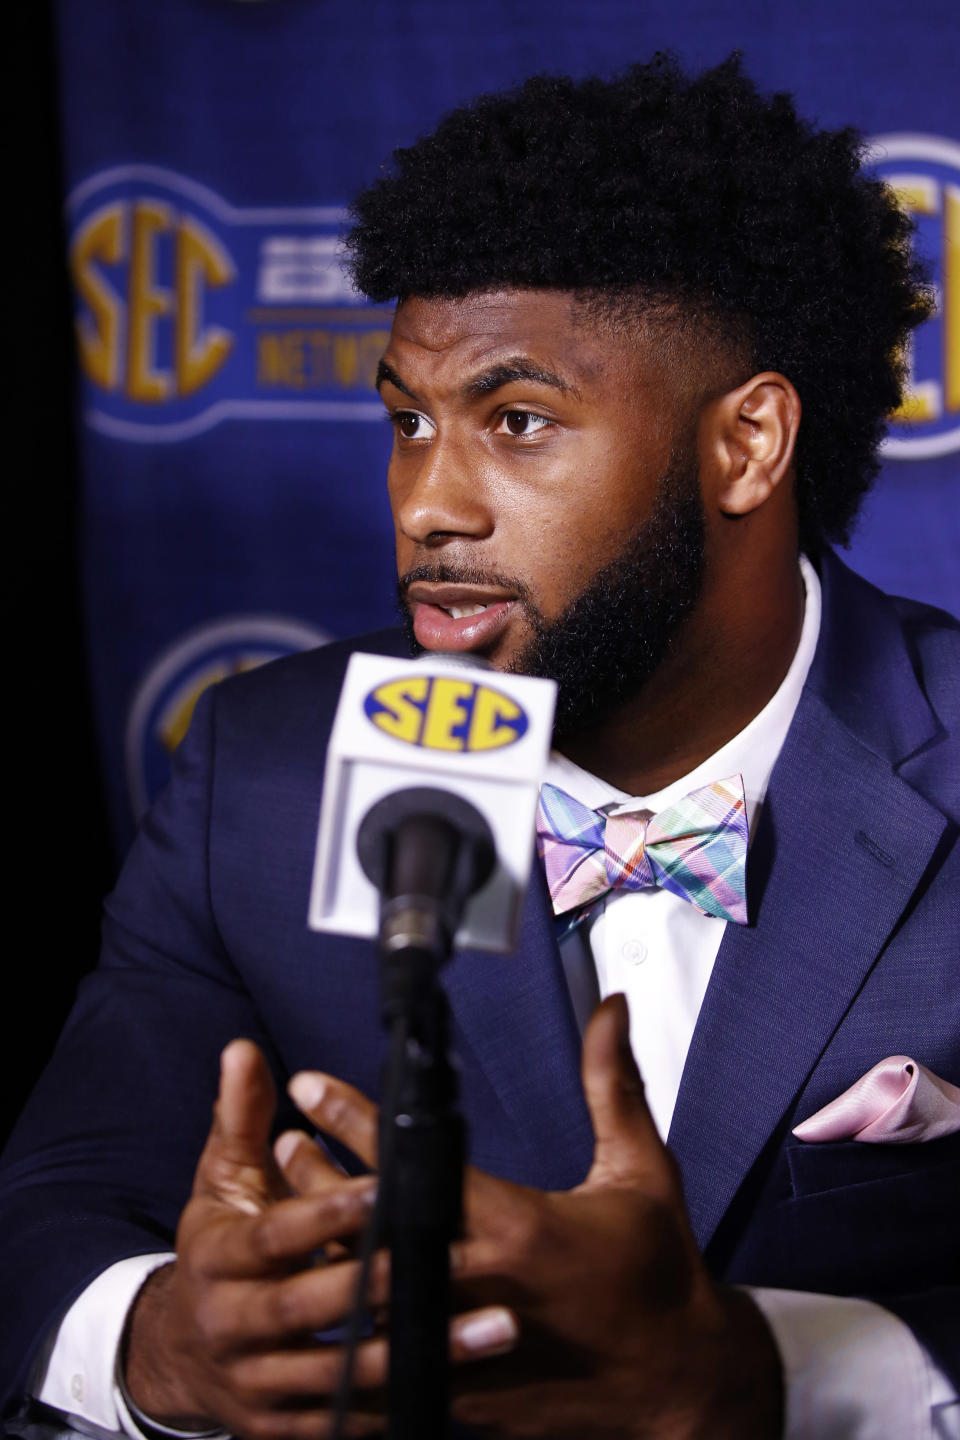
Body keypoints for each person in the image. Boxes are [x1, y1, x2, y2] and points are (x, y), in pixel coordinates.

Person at [3, 52, 958, 1440]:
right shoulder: (271, 768)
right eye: (406, 420)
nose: (426, 505)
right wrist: (158, 1343)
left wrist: (777, 1368)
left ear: (747, 444)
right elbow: (56, 1201)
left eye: (517, 423)